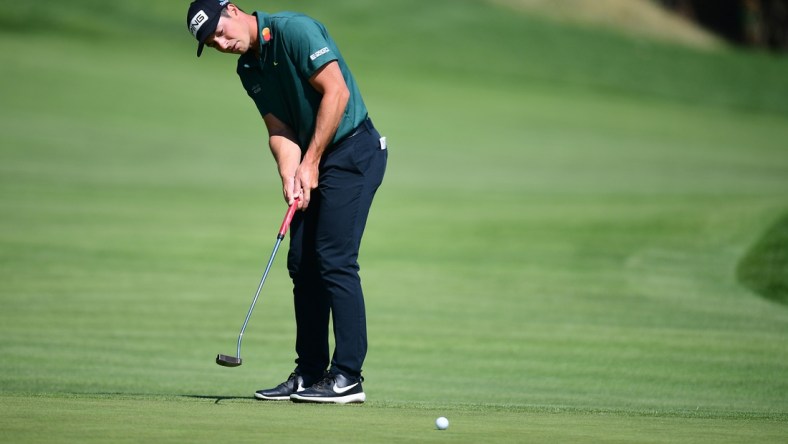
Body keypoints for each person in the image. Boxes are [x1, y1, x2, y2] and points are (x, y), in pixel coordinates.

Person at [186, 0, 387, 404]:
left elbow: (337, 92)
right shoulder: (248, 69)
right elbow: (279, 129)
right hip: (315, 156)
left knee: (334, 258)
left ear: (234, 9)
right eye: (212, 43)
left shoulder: (293, 31)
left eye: (221, 32)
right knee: (301, 262)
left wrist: (311, 162)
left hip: (353, 151)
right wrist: (291, 173)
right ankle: (311, 371)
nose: (222, 43)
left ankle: (348, 377)